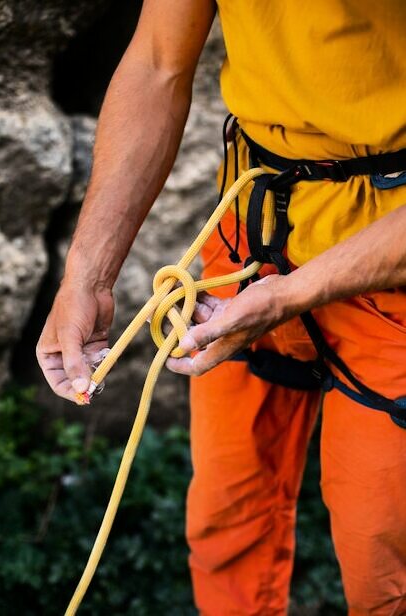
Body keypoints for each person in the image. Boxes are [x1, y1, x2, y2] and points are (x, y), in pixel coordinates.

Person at [37, 1, 406, 613]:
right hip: (255, 229)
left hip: (388, 254)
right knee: (227, 520)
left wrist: (295, 293)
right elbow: (158, 62)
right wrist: (87, 276)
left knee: (383, 556)